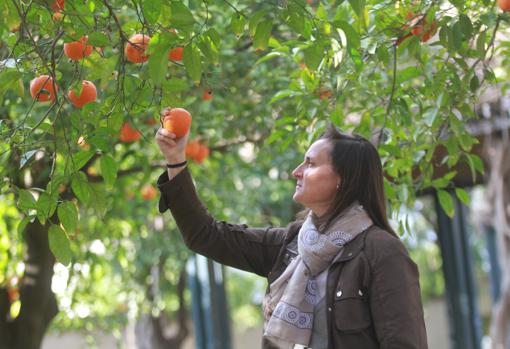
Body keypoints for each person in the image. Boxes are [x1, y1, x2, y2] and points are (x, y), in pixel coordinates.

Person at [155, 123, 428, 349]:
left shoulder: (381, 251)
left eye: (310, 164)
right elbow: (207, 236)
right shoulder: (291, 244)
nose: (296, 171)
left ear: (341, 179)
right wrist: (175, 159)